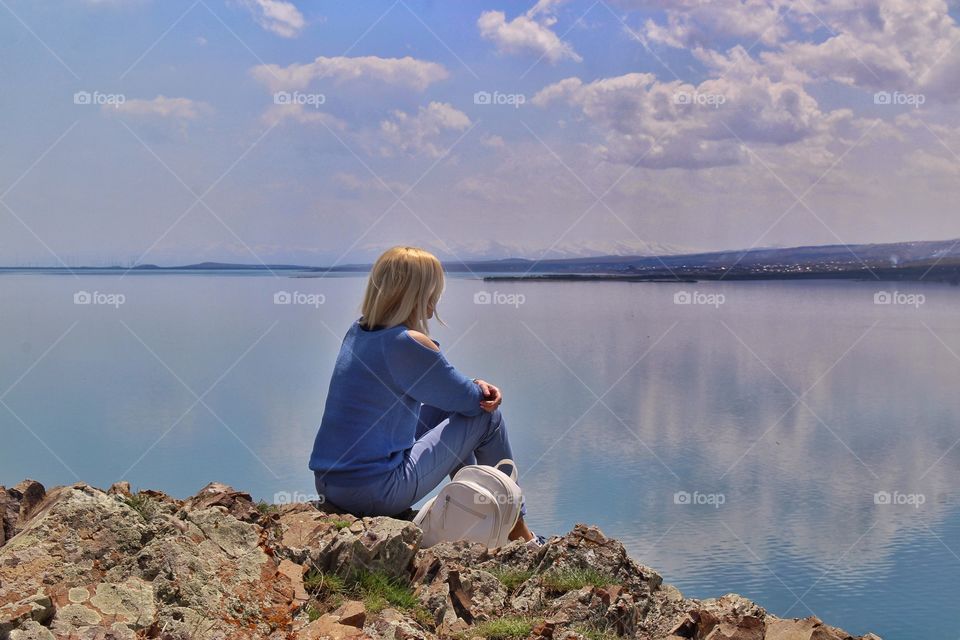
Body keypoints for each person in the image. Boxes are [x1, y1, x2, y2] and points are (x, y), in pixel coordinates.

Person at [309, 246, 538, 543]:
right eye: (434, 290)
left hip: (331, 483)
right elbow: (472, 401)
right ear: (418, 293)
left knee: (453, 411)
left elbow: (447, 392)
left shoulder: (359, 330)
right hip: (374, 493)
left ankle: (475, 509)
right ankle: (517, 531)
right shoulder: (408, 343)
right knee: (486, 416)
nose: (437, 298)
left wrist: (470, 385)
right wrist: (479, 385)